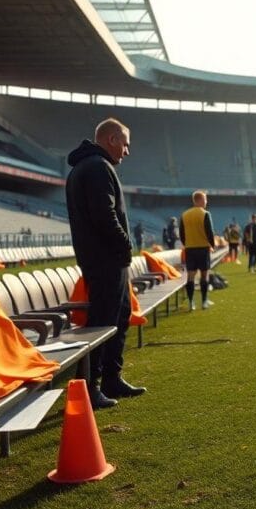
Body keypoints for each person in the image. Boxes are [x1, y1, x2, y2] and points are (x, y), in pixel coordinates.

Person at [65, 118, 147, 409]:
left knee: (119, 316)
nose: (126, 151)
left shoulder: (87, 167)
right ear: (111, 139)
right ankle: (91, 384)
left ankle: (112, 377)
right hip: (105, 260)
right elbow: (105, 215)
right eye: (125, 144)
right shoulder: (98, 167)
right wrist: (125, 245)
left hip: (103, 259)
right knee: (103, 322)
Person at [179, 190, 216, 310]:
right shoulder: (205, 213)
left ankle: (191, 303)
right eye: (205, 199)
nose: (206, 201)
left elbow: (181, 234)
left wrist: (187, 244)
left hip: (190, 249)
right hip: (203, 248)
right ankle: (204, 301)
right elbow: (209, 232)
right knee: (204, 275)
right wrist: (212, 245)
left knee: (190, 276)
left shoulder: (184, 215)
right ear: (200, 200)